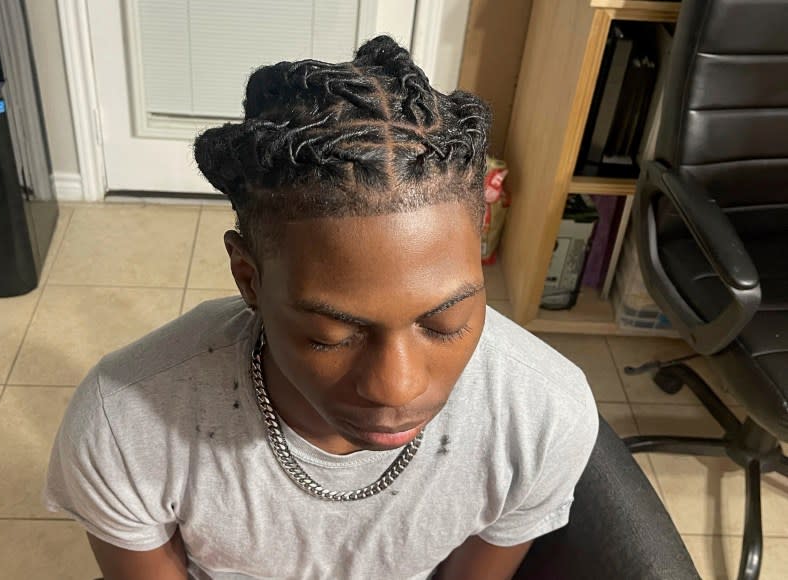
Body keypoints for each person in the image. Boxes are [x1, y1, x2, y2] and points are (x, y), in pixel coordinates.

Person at [43, 36, 599, 580]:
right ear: (248, 278)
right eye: (332, 335)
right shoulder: (124, 423)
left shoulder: (544, 416)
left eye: (445, 323)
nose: (396, 387)